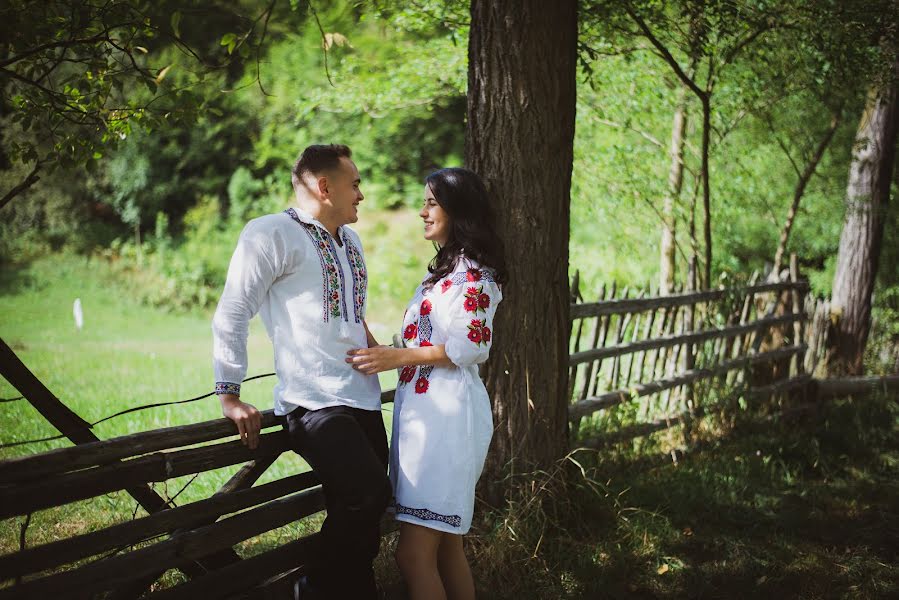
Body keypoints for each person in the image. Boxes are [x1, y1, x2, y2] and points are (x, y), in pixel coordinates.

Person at [212, 144, 390, 599]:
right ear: (323, 186)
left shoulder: (351, 242)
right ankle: (308, 588)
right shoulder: (269, 233)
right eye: (355, 184)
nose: (362, 195)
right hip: (313, 400)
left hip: (364, 397)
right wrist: (229, 395)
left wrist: (386, 354)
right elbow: (233, 311)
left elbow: (351, 313)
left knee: (367, 513)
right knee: (367, 495)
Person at [346, 167, 506, 600]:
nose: (421, 211)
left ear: (458, 211)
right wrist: (363, 335)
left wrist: (397, 357)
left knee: (413, 557)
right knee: (446, 549)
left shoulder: (475, 278)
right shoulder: (441, 276)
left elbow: (470, 345)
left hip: (447, 421)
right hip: (424, 419)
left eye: (431, 202)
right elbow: (416, 346)